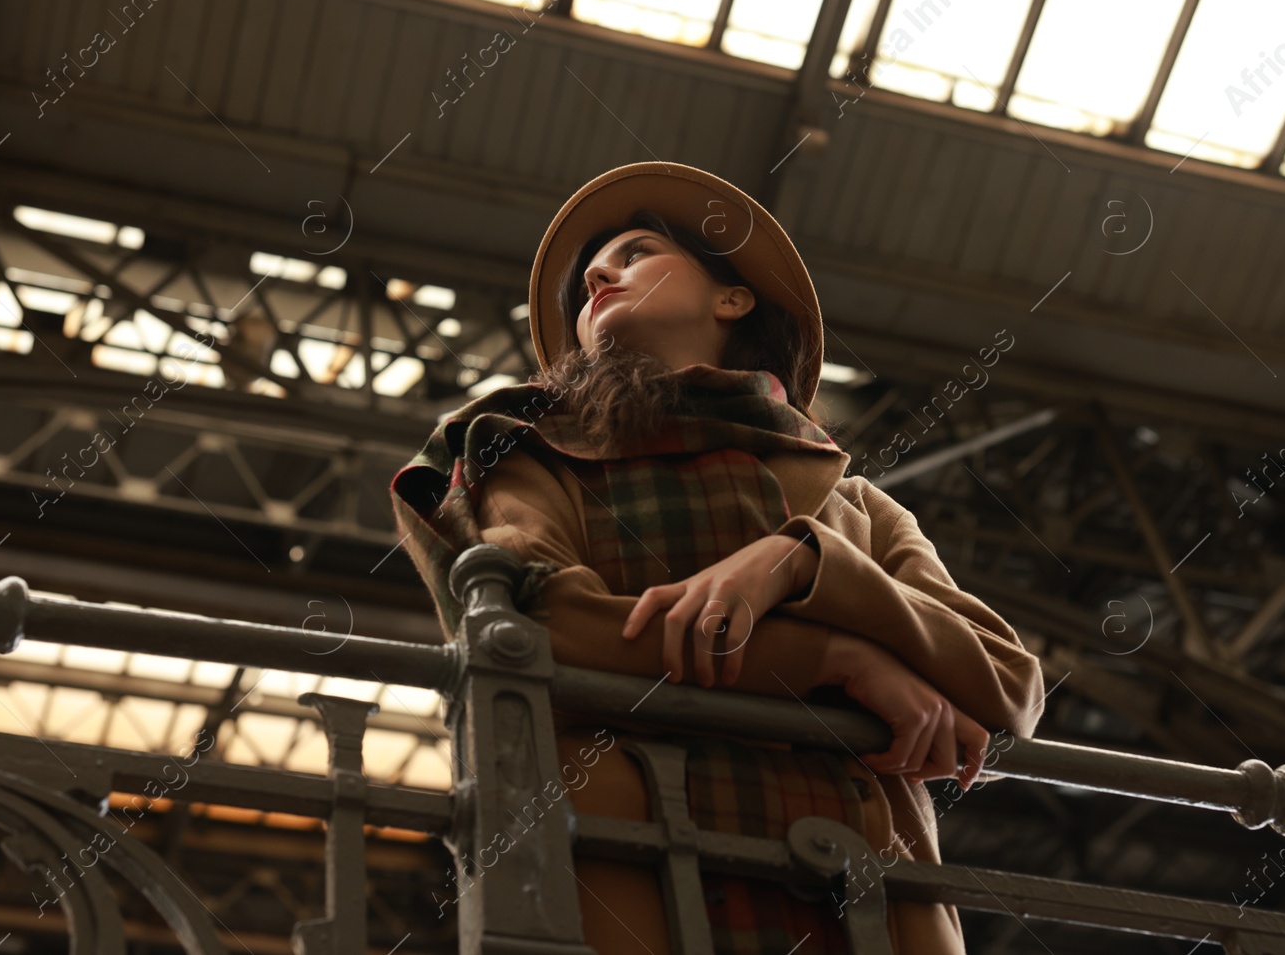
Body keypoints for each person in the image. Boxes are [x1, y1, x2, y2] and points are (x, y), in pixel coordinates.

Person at [390, 161, 1046, 954]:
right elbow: (537, 625)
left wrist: (799, 562)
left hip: (869, 917)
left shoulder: (853, 507)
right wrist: (836, 657)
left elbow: (1009, 685)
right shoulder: (532, 457)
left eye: (634, 252)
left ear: (732, 298)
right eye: (595, 272)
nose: (599, 272)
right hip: (639, 896)